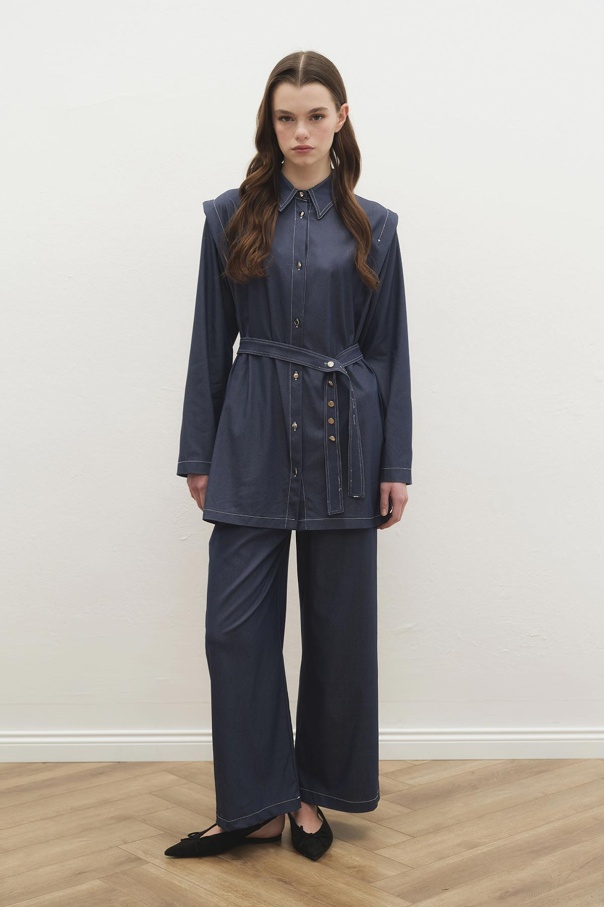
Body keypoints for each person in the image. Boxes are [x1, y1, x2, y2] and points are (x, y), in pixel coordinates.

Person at [165, 49, 412, 863]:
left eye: (314, 115)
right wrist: (199, 451)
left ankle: (311, 796)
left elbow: (388, 351)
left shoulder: (374, 225)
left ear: (341, 118)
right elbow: (210, 341)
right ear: (268, 124)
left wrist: (395, 463)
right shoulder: (229, 216)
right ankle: (255, 804)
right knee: (234, 631)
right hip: (251, 437)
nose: (300, 131)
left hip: (348, 441)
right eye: (285, 117)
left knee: (340, 632)